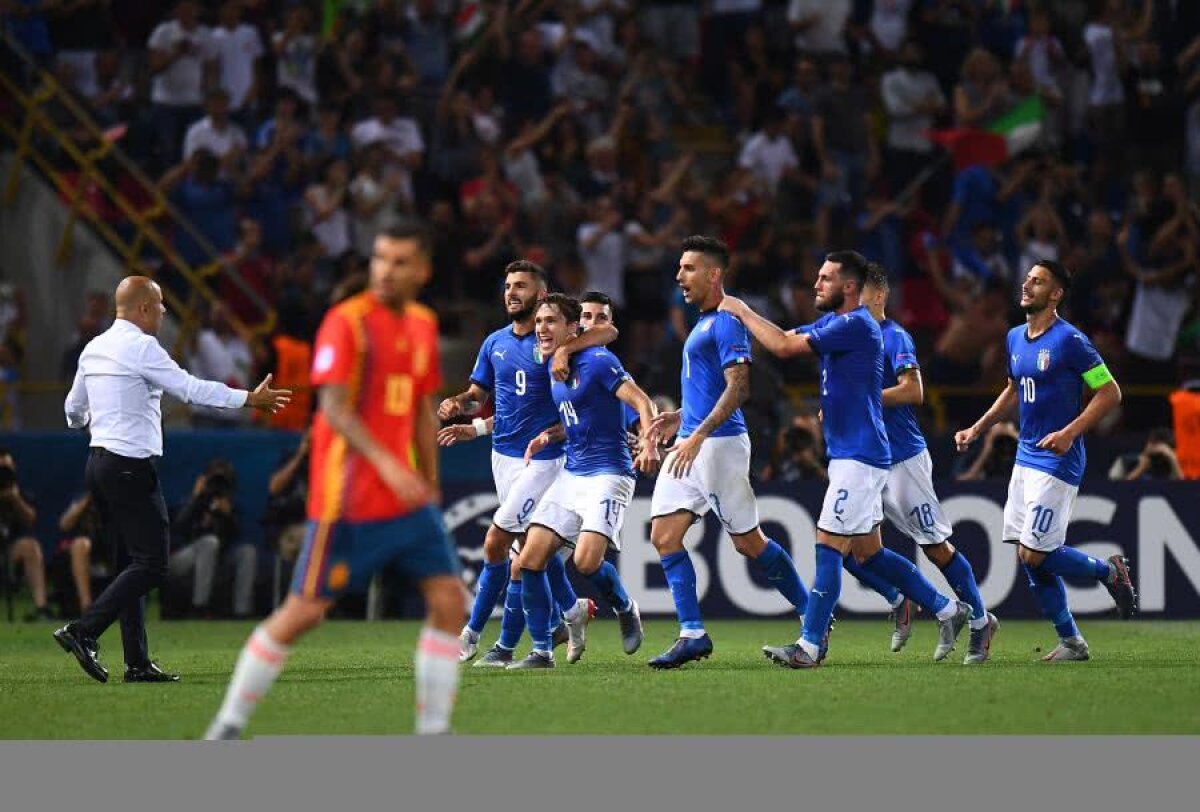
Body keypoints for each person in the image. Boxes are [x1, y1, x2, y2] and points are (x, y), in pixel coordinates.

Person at [205, 224, 464, 739]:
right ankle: (227, 726)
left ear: (423, 270)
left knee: (450, 600)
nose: (386, 271)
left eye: (399, 262)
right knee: (305, 612)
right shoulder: (347, 323)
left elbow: (420, 407)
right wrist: (391, 465)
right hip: (348, 499)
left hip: (408, 504)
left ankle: (434, 733)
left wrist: (429, 478)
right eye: (380, 259)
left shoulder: (422, 324)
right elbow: (335, 411)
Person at [720, 250, 972, 669]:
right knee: (868, 554)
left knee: (828, 546)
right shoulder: (834, 323)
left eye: (825, 278)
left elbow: (783, 347)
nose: (815, 284)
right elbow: (783, 335)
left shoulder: (856, 325)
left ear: (849, 287)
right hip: (847, 454)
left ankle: (810, 646)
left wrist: (740, 309)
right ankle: (949, 609)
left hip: (862, 456)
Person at [57, 276, 289, 684]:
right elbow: (189, 388)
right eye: (161, 305)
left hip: (97, 463)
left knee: (128, 565)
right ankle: (84, 630)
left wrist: (99, 422)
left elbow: (73, 409)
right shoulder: (142, 347)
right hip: (130, 465)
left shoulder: (94, 347)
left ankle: (136, 663)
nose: (165, 312)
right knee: (153, 564)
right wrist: (247, 398)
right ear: (144, 308)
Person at [954, 260, 1137, 662]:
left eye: (1037, 281)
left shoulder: (1070, 341)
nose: (1027, 284)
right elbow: (1013, 390)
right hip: (1026, 457)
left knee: (1036, 553)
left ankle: (1109, 572)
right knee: (1027, 555)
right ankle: (1071, 641)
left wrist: (1071, 431)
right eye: (1027, 279)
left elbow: (1109, 393)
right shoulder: (1015, 337)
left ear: (1055, 294)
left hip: (1059, 459)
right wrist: (978, 428)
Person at [644, 236, 811, 670]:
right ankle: (692, 635)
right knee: (663, 536)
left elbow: (739, 389)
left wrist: (697, 434)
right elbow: (710, 391)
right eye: (679, 268)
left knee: (748, 543)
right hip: (694, 440)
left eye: (689, 268)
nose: (679, 276)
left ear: (714, 274)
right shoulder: (701, 323)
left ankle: (813, 615)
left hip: (718, 446)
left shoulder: (727, 322)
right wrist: (679, 417)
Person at [437, 261, 614, 667]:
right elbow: (478, 395)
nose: (511, 292)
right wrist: (460, 409)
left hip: (545, 461)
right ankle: (568, 614)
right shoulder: (495, 342)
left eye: (521, 286)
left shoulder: (553, 343)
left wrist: (569, 346)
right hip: (503, 457)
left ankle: (472, 636)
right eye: (507, 286)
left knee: (497, 543)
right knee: (529, 555)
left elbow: (609, 331)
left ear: (541, 292)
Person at [845, 264, 997, 663]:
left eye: (854, 292)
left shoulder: (894, 337)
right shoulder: (850, 338)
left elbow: (914, 391)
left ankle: (980, 621)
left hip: (903, 459)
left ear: (877, 296)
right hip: (865, 460)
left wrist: (864, 399)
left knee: (935, 547)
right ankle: (906, 600)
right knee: (855, 551)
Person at [506, 294, 657, 669]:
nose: (541, 328)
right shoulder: (555, 364)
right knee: (530, 559)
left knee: (586, 563)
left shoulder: (599, 361)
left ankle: (625, 606)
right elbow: (581, 416)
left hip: (609, 474)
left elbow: (642, 403)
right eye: (539, 321)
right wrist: (551, 435)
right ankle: (542, 650)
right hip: (572, 473)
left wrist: (650, 440)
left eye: (550, 321)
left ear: (573, 329)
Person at [168, 458, 257, 618]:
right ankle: (199, 607)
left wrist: (227, 514)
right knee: (210, 542)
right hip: (184, 558)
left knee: (247, 551)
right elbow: (178, 528)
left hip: (218, 559)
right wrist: (196, 498)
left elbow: (235, 536)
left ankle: (242, 612)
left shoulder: (230, 508)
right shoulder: (190, 502)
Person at [0, 448, 50, 621]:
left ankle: (41, 607)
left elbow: (31, 520)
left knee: (31, 547)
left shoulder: (20, 495)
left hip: (8, 551)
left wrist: (14, 499)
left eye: (6, 469)